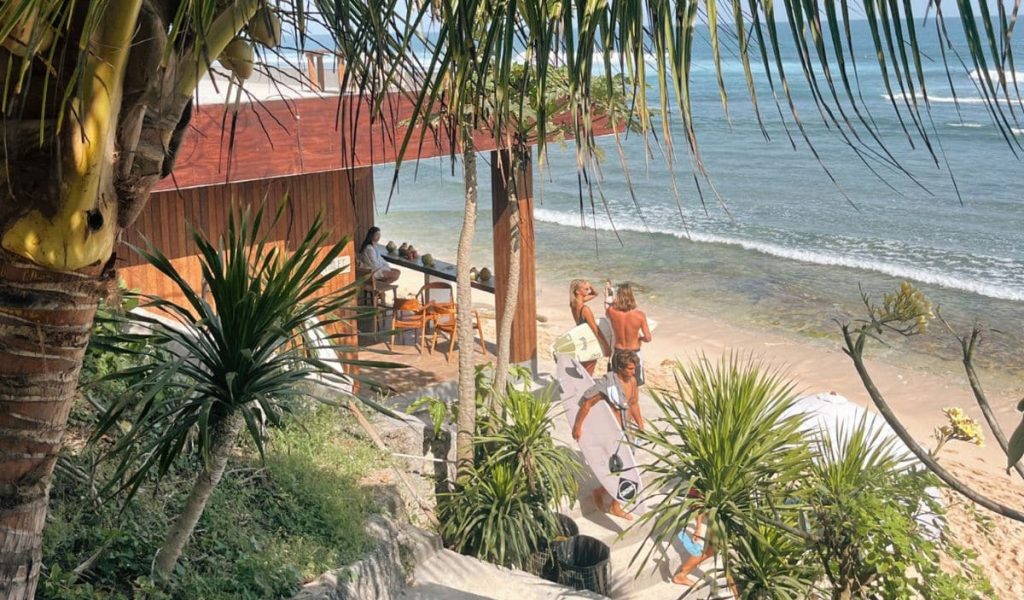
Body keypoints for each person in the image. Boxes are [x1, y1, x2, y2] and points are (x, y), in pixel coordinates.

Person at [572, 350, 644, 521]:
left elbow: (633, 403)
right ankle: (613, 504)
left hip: (627, 432)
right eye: (630, 369)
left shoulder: (632, 381)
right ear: (619, 368)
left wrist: (640, 423)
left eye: (634, 369)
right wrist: (577, 427)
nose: (633, 372)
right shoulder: (607, 384)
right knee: (620, 468)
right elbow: (587, 403)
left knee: (625, 467)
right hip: (612, 432)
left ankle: (605, 495)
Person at [605, 282, 652, 385]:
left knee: (618, 383)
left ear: (618, 296)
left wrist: (608, 293)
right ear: (631, 296)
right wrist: (640, 338)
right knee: (634, 383)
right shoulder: (639, 315)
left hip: (618, 351)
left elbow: (607, 305)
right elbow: (648, 338)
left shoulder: (612, 312)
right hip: (634, 352)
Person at [569, 279, 611, 375]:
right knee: (589, 369)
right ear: (578, 291)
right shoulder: (585, 309)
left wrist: (589, 284)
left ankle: (581, 387)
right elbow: (596, 329)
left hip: (581, 338)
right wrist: (606, 346)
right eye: (585, 289)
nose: (588, 291)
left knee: (584, 368)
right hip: (588, 340)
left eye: (588, 289)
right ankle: (584, 389)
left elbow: (595, 294)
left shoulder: (574, 304)